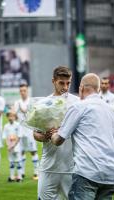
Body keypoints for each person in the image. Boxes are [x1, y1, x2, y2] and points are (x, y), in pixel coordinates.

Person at [51, 73, 114, 200]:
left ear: (81, 87)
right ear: (99, 89)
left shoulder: (78, 107)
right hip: (112, 175)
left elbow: (58, 140)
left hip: (87, 173)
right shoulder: (113, 112)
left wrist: (51, 134)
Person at [33, 66, 79, 200]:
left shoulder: (77, 103)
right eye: (61, 83)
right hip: (49, 165)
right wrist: (45, 136)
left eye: (68, 83)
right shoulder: (44, 103)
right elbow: (36, 134)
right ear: (53, 81)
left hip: (71, 167)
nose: (65, 87)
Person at [13, 84, 39, 180]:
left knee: (33, 151)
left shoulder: (31, 102)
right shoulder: (17, 103)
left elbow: (34, 115)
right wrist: (14, 113)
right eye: (21, 91)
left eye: (24, 90)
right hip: (20, 130)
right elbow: (14, 116)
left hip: (29, 130)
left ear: (27, 91)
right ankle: (22, 173)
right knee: (21, 151)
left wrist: (24, 111)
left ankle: (36, 173)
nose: (22, 92)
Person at [3, 111, 23, 182]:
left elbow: (19, 136)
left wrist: (14, 145)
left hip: (16, 146)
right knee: (11, 161)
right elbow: (5, 137)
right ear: (7, 117)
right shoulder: (6, 126)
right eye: (9, 116)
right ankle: (11, 176)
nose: (11, 118)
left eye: (12, 116)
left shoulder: (18, 125)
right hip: (10, 146)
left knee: (18, 161)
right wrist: (8, 145)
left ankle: (19, 177)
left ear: (15, 117)